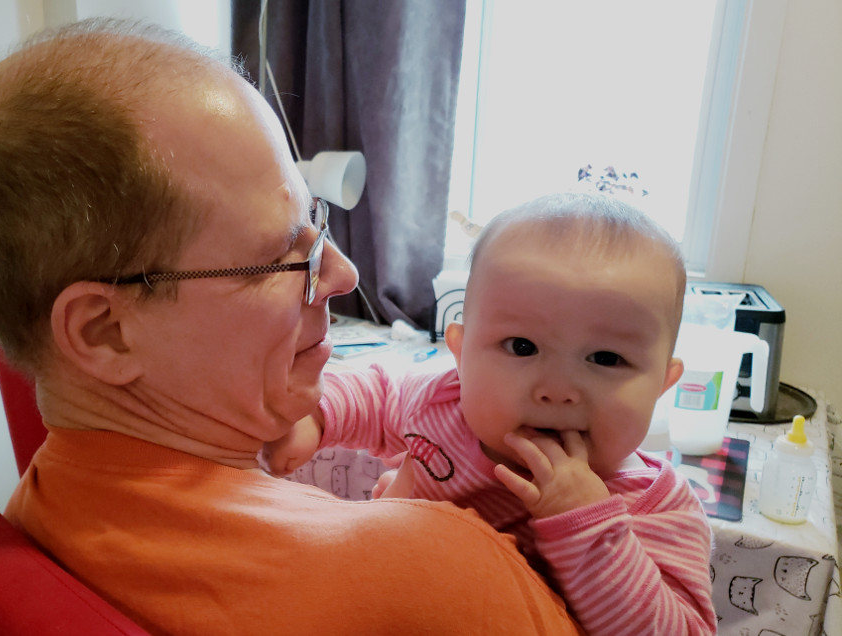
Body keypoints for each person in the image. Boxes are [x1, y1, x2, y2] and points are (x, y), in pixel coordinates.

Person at [0, 18, 583, 636]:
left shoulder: (39, 509)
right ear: (105, 332)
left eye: (318, 223)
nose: (343, 273)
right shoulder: (436, 569)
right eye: (282, 255)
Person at [265, 192, 718, 636]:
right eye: (522, 347)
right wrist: (316, 417)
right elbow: (379, 391)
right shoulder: (445, 403)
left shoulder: (658, 510)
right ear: (460, 354)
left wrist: (590, 526)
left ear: (662, 384)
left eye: (605, 358)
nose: (558, 390)